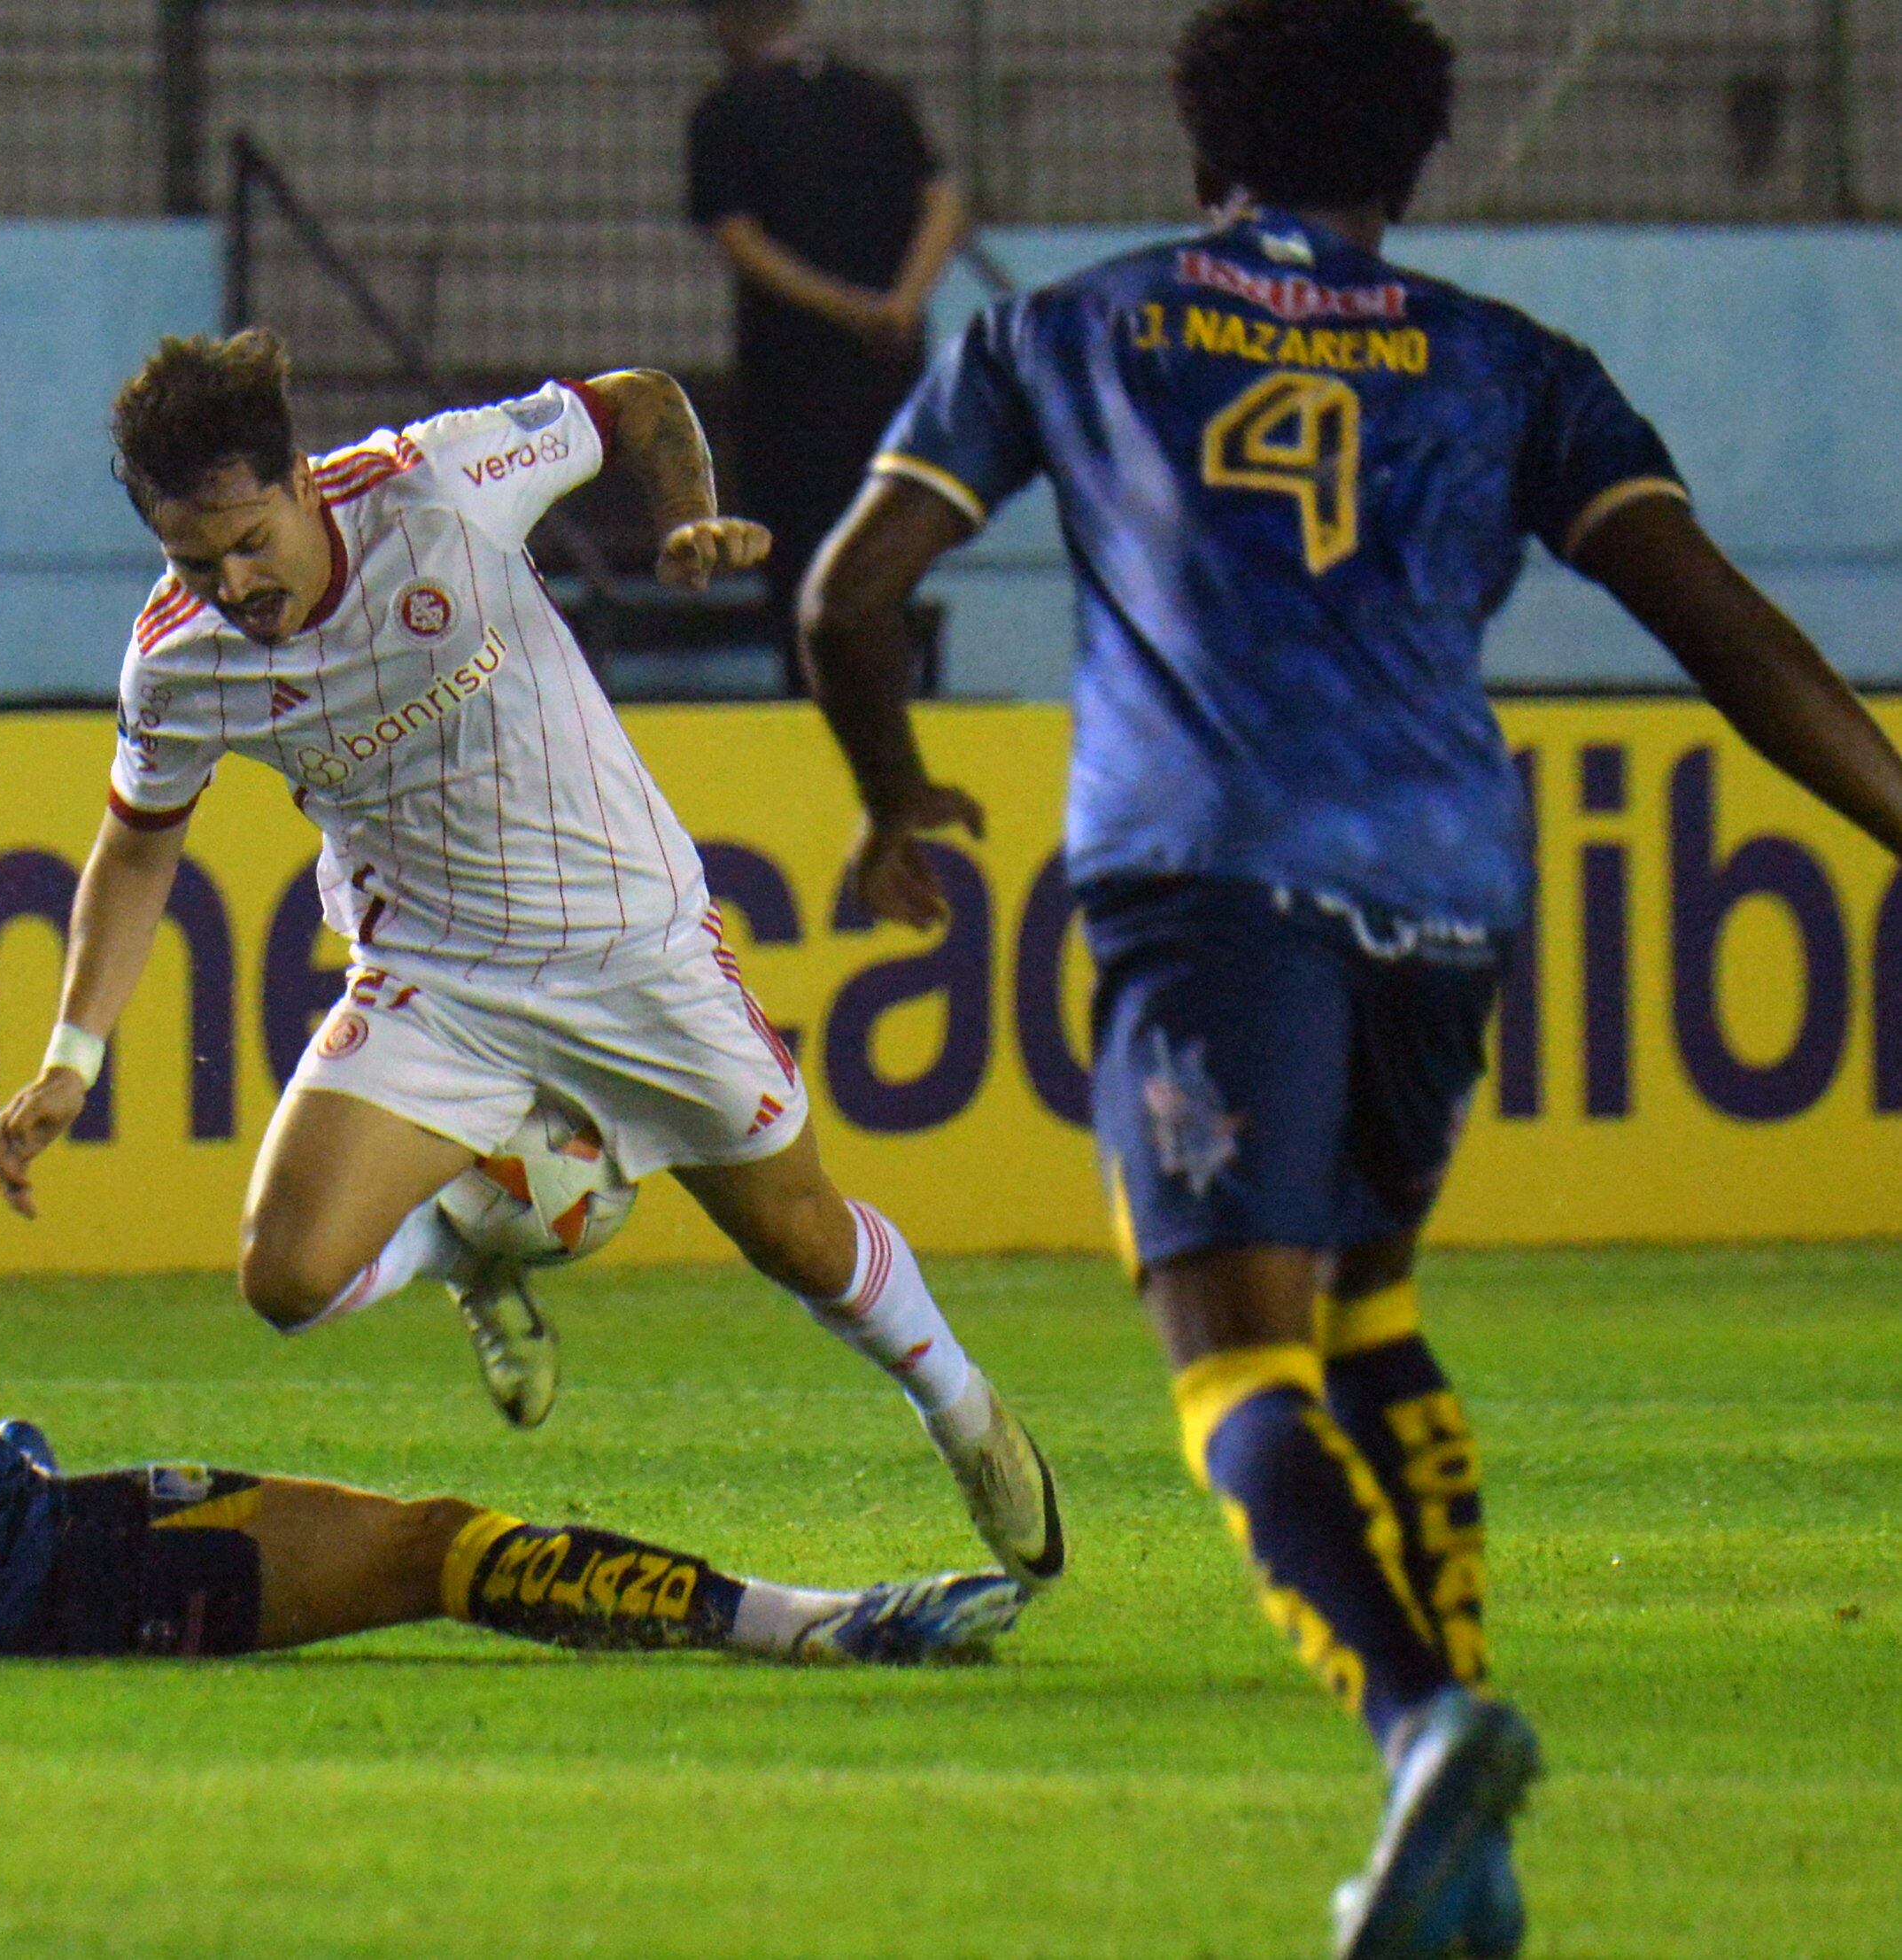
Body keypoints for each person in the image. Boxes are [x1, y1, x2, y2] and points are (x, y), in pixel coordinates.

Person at [793, 2, 1902, 1953]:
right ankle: (1465, 1850)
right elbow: (1728, 632)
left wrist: (894, 795)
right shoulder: (1507, 365)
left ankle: (1420, 1722)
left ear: (1195, 142)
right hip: (1448, 893)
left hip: (1208, 883)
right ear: (1407, 164)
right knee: (1370, 1298)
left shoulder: (1072, 327)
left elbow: (842, 596)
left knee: (1235, 1349)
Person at [0, 329, 1064, 1598]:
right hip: (435, 981)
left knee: (801, 1241)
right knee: (284, 1278)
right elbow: (132, 851)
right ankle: (463, 1249)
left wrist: (689, 518)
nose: (230, 582)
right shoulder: (177, 658)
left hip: (631, 944)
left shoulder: (433, 484)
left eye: (245, 541)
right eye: (191, 558)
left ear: (296, 478)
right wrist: (72, 1054)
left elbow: (641, 404)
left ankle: (959, 1405)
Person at [0, 909, 1029, 1669]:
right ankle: (816, 1626)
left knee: (57, 1447)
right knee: (428, 1545)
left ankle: (41, 1463)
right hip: (6, 1586)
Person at [688, 0, 965, 693]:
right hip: (891, 374)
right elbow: (944, 204)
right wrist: (901, 302)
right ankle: (893, 706)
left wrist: (844, 308)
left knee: (803, 558)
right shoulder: (877, 98)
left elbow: (738, 238)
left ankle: (815, 706)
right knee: (888, 545)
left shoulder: (725, 110)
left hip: (792, 378)